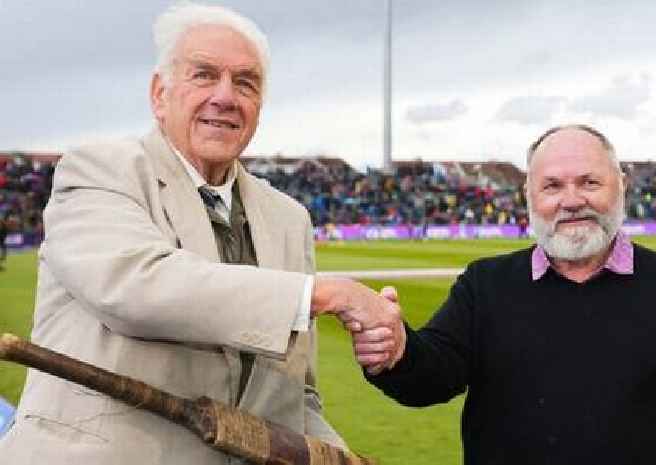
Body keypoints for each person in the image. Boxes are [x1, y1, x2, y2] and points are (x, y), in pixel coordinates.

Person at [0, 3, 402, 464]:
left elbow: (294, 398)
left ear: (259, 107)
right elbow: (137, 287)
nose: (226, 97)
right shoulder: (99, 170)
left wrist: (338, 457)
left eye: (245, 83)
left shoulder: (289, 219)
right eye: (204, 75)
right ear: (159, 93)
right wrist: (323, 295)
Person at [356, 124, 656, 464]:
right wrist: (397, 352)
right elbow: (431, 378)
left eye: (589, 182)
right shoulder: (484, 286)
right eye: (552, 186)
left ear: (621, 186)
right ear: (529, 195)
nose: (572, 200)